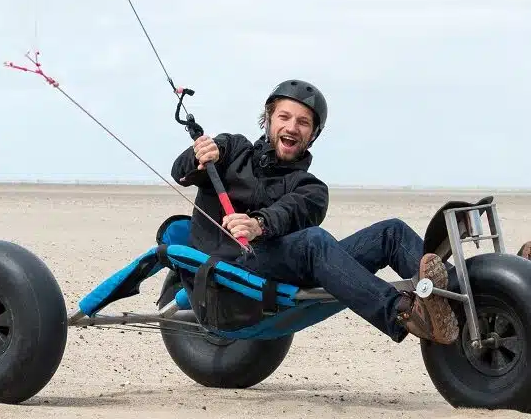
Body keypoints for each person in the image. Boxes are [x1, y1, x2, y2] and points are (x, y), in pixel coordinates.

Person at [170, 79, 463, 345]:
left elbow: (290, 211)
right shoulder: (233, 149)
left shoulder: (311, 188)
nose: (292, 127)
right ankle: (401, 312)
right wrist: (200, 155)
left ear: (312, 135)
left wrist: (259, 224)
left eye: (303, 122)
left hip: (279, 267)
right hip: (227, 280)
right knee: (314, 241)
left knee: (392, 233)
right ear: (268, 119)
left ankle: (468, 299)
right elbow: (180, 172)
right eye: (284, 117)